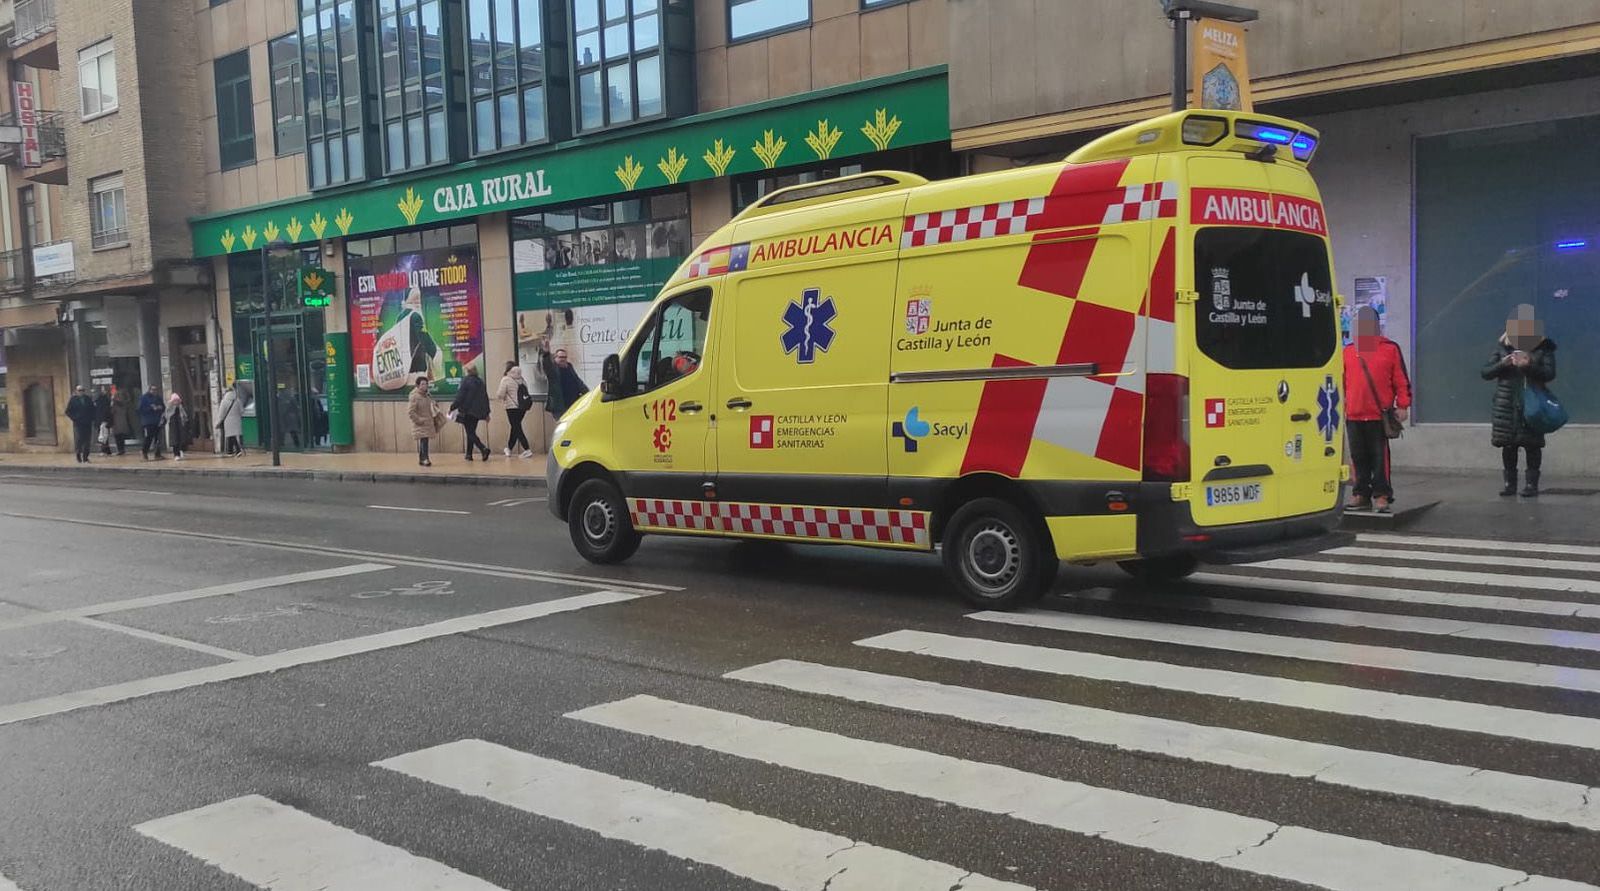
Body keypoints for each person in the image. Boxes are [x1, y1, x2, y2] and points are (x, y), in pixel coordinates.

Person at [1482, 303, 1557, 497]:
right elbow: (1485, 372)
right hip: (1506, 404)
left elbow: (1549, 373)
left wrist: (1528, 365)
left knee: (1533, 445)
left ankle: (1532, 485)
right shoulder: (1502, 347)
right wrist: (1503, 363)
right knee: (1508, 445)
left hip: (1532, 403)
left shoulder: (1543, 348)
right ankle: (1510, 485)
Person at [1342, 306, 1411, 512]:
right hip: (1353, 414)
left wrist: (1403, 405)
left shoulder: (1390, 349)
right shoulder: (1347, 351)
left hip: (1378, 415)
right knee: (1358, 457)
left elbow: (1401, 380)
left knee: (1380, 459)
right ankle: (1361, 494)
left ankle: (1382, 495)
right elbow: (1341, 382)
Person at [450, 365, 492, 461]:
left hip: (467, 410)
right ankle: (469, 454)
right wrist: (486, 413)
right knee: (471, 432)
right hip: (478, 412)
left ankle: (483, 448)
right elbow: (485, 398)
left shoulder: (465, 381)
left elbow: (460, 396)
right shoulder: (480, 382)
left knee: (470, 433)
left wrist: (453, 406)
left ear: (467, 371)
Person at [495, 360, 534, 458]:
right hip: (522, 407)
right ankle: (509, 448)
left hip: (511, 407)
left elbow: (500, 394)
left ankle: (527, 449)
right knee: (515, 427)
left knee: (517, 428)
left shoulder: (506, 379)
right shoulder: (522, 379)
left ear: (508, 370)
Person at [541, 347, 590, 421]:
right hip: (560, 406)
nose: (563, 359)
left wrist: (588, 394)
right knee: (563, 425)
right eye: (560, 357)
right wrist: (546, 354)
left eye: (565, 357)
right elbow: (547, 365)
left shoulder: (569, 367)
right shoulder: (553, 370)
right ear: (555, 358)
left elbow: (578, 382)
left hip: (573, 404)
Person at [408, 375, 443, 466]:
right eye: (422, 384)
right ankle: (425, 459)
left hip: (428, 421)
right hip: (421, 422)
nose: (425, 386)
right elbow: (411, 411)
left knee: (425, 440)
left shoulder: (427, 395)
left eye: (426, 384)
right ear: (418, 385)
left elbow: (431, 406)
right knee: (424, 441)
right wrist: (419, 420)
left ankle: (422, 459)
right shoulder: (415, 397)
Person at [64, 385, 96, 463]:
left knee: (87, 440)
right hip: (78, 423)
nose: (81, 392)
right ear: (76, 391)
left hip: (87, 422)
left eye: (82, 390)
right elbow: (68, 411)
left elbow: (93, 410)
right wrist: (75, 418)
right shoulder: (73, 400)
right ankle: (78, 456)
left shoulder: (88, 399)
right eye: (79, 390)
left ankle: (85, 457)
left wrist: (92, 418)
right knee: (79, 439)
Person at [138, 385, 165, 460]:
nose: (154, 391)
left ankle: (157, 454)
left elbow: (163, 406)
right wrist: (151, 408)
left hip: (157, 421)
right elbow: (140, 409)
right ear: (149, 390)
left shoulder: (158, 397)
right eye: (153, 390)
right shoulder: (144, 398)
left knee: (158, 438)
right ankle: (144, 452)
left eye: (156, 390)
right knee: (149, 437)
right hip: (148, 421)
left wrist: (160, 407)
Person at [216, 386, 245, 457]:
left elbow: (221, 413)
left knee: (230, 435)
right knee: (234, 435)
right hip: (237, 420)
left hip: (228, 420)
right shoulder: (237, 400)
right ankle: (231, 450)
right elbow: (242, 411)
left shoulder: (224, 401)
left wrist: (219, 421)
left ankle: (234, 450)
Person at [110, 387, 138, 456]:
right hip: (119, 422)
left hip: (118, 423)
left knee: (119, 437)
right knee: (120, 436)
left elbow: (111, 412)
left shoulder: (115, 405)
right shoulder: (122, 405)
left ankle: (120, 450)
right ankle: (121, 449)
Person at [165, 392, 191, 461]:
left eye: (177, 400)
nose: (176, 402)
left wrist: (185, 422)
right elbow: (167, 415)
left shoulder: (181, 407)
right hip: (173, 426)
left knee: (182, 439)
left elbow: (185, 416)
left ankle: (181, 451)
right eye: (175, 400)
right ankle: (176, 454)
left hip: (181, 425)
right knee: (175, 440)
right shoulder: (170, 407)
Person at [93, 386, 114, 456]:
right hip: (103, 420)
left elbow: (106, 411)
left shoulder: (102, 400)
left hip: (103, 420)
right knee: (104, 436)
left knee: (103, 436)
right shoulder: (103, 400)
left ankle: (105, 450)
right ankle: (106, 450)